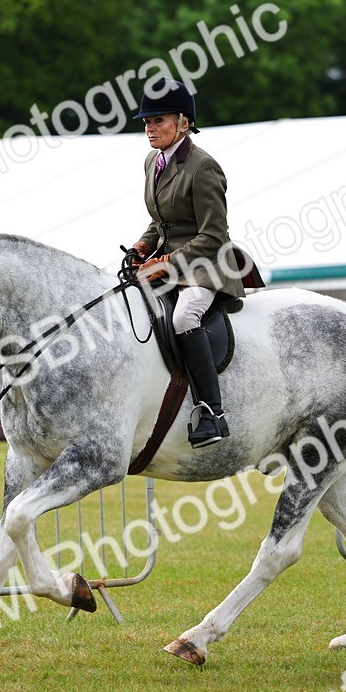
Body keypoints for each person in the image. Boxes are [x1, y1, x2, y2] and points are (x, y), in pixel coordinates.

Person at [129, 79, 263, 448]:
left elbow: (213, 235)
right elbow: (162, 221)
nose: (149, 129)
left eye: (158, 121)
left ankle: (212, 412)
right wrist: (145, 244)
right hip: (171, 261)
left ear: (183, 122)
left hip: (208, 264)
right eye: (146, 122)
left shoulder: (204, 167)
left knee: (184, 317)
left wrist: (166, 261)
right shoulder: (151, 162)